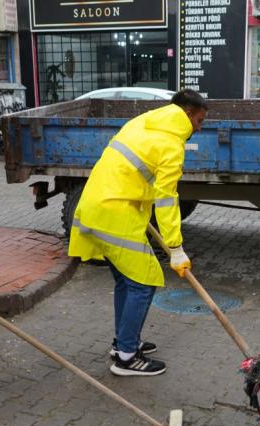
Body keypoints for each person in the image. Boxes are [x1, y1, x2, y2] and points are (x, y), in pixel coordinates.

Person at [68, 89, 208, 376]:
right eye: (200, 120)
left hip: (98, 203)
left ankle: (124, 342)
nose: (199, 127)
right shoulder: (171, 143)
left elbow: (129, 167)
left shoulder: (143, 121)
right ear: (188, 114)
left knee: (126, 280)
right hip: (115, 211)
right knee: (144, 280)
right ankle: (127, 358)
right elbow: (167, 197)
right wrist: (176, 248)